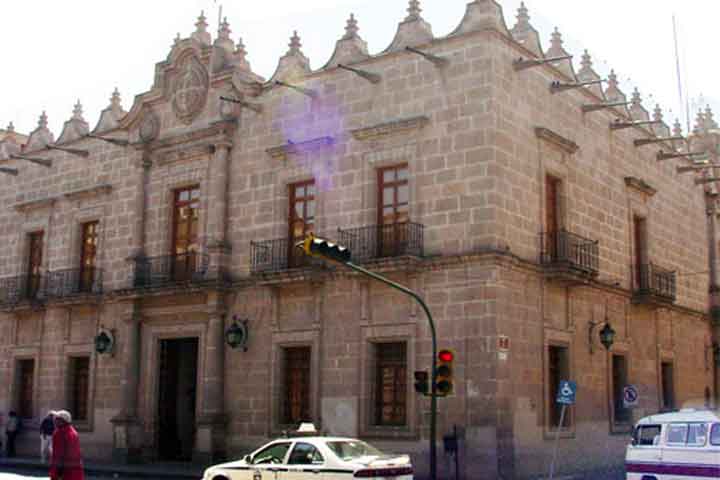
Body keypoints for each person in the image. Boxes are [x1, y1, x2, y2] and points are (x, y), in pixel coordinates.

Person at [50, 410, 84, 480]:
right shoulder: (72, 431)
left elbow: (60, 452)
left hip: (65, 471)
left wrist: (58, 470)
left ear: (63, 421)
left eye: (57, 419)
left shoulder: (61, 433)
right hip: (74, 469)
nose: (54, 421)